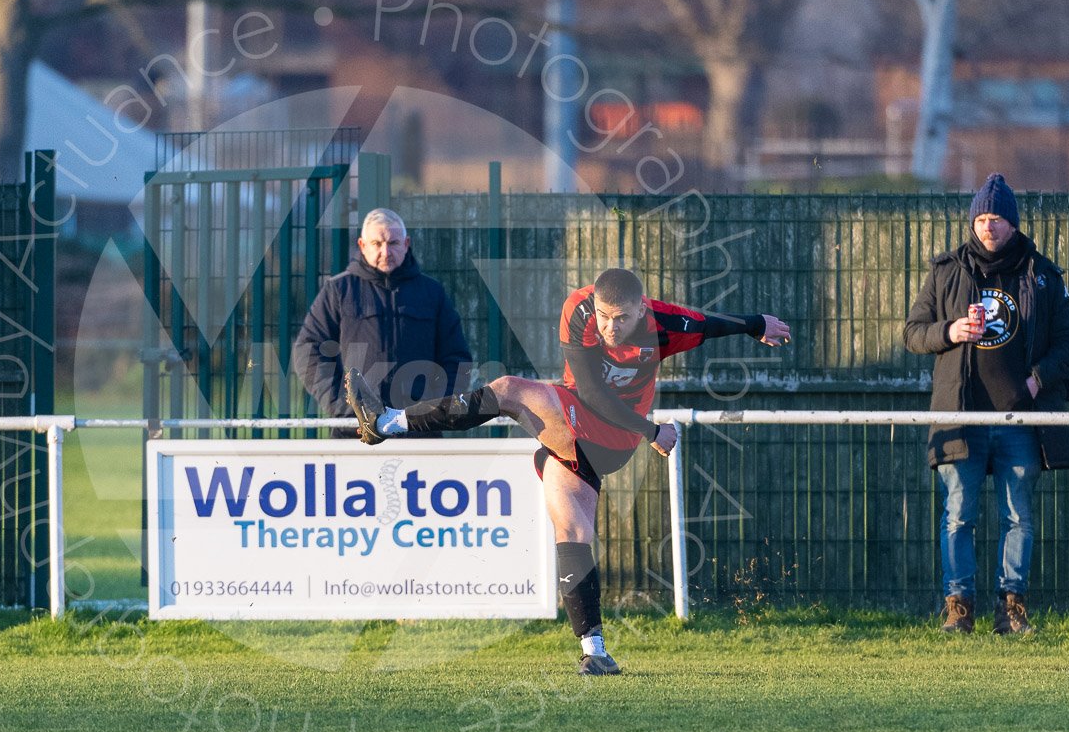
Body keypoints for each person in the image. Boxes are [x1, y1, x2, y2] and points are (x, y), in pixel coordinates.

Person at [344, 267, 791, 674]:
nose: (610, 327)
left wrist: (757, 325)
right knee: (573, 533)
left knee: (508, 389)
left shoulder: (668, 324)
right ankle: (595, 651)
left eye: (621, 318)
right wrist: (652, 429)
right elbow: (591, 389)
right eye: (604, 316)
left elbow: (711, 324)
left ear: (642, 307)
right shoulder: (579, 310)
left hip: (614, 440)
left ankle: (385, 421)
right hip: (578, 422)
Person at [904, 173, 1069, 635]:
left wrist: (1039, 379)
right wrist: (949, 331)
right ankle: (958, 608)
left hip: (1020, 418)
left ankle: (1012, 609)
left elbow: (1068, 343)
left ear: (1013, 222)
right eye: (981, 217)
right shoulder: (945, 272)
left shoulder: (1042, 274)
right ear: (972, 221)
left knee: (1018, 514)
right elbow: (912, 333)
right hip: (959, 416)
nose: (988, 226)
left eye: (997, 218)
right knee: (958, 514)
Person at [293, 208, 472, 438]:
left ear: (406, 244)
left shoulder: (432, 293)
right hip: (355, 432)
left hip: (419, 433)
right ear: (362, 245)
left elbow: (456, 358)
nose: (385, 251)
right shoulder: (338, 290)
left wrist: (432, 410)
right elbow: (307, 351)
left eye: (393, 242)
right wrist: (346, 408)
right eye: (376, 243)